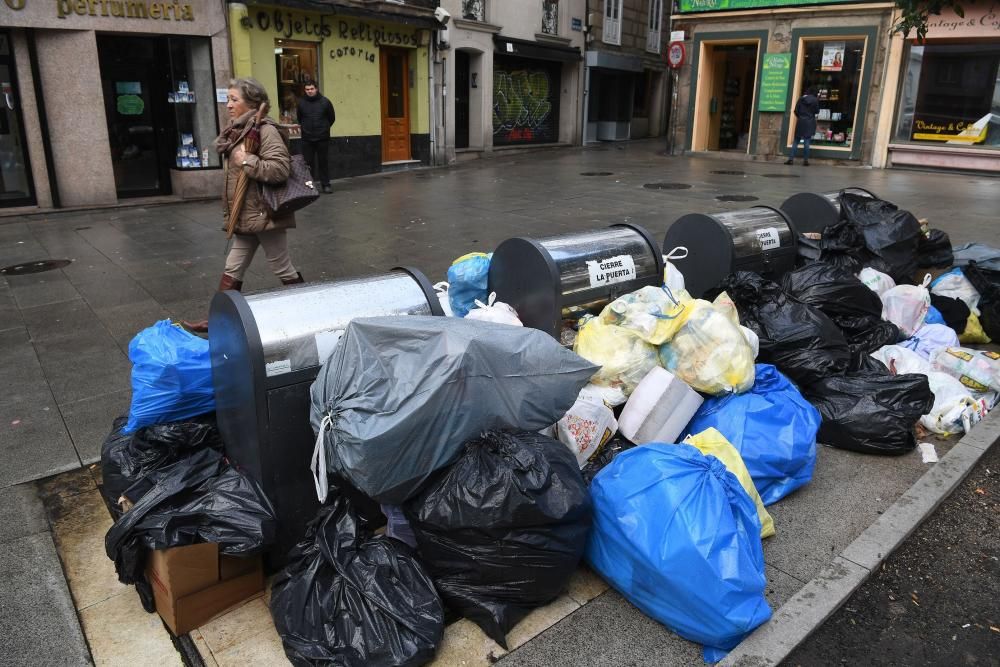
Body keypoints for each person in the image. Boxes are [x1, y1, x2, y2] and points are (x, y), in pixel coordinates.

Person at [182, 77, 303, 334]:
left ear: (252, 102)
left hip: (264, 214)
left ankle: (308, 307)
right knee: (233, 267)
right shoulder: (239, 131)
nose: (228, 105)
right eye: (228, 99)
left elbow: (280, 169)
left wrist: (246, 160)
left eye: (234, 99)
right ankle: (218, 320)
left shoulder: (265, 130)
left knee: (282, 266)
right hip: (248, 215)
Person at [296, 81, 336, 194]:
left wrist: (324, 129)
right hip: (307, 138)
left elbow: (331, 118)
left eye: (311, 89)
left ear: (316, 89)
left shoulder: (325, 102)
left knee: (323, 162)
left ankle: (326, 185)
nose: (309, 91)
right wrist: (305, 128)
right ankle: (310, 186)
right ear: (305, 90)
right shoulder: (301, 103)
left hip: (322, 138)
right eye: (307, 89)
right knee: (308, 163)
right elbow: (300, 118)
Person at [785, 86, 820, 166]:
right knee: (807, 141)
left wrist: (800, 117)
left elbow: (796, 111)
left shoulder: (801, 99)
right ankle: (805, 161)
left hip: (801, 122)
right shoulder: (815, 100)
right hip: (810, 122)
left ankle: (790, 159)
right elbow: (817, 111)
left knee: (796, 141)